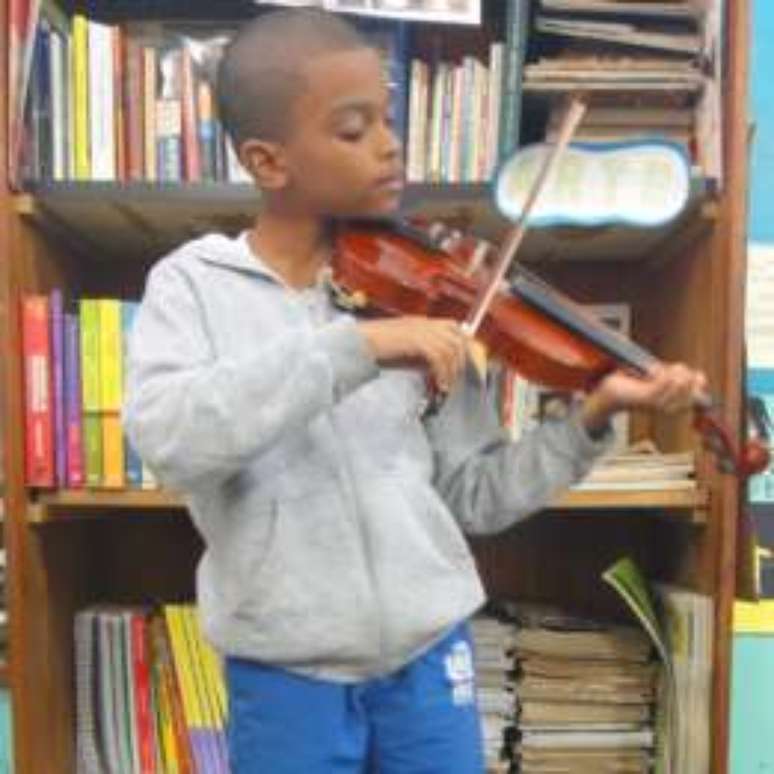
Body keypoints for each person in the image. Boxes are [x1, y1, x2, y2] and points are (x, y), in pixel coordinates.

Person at [123, 8, 707, 773]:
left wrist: (589, 419)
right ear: (269, 162)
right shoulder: (194, 286)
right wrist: (356, 347)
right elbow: (171, 440)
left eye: (389, 120)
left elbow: (474, 497)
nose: (390, 144)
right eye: (353, 128)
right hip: (284, 673)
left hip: (431, 659)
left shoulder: (420, 296)